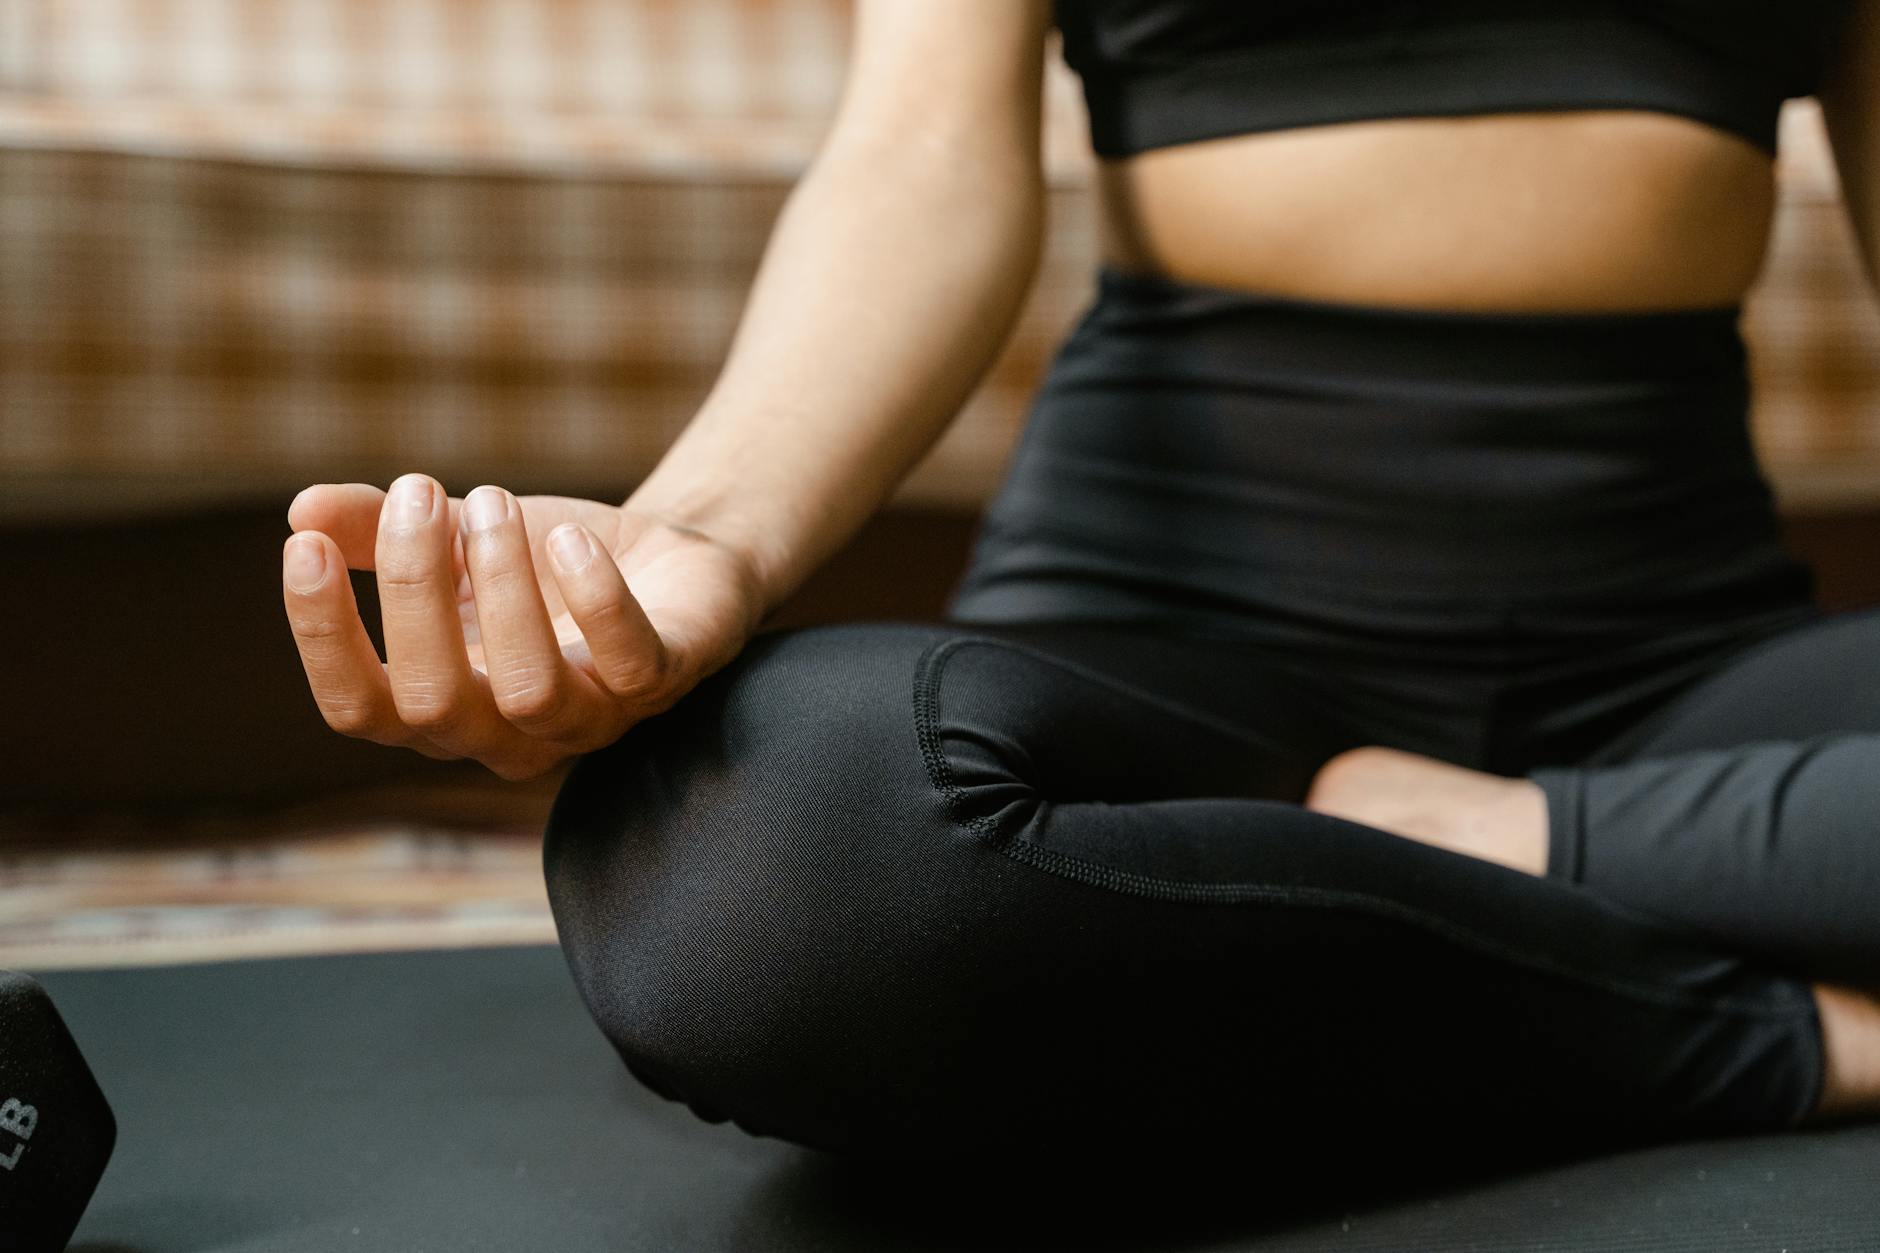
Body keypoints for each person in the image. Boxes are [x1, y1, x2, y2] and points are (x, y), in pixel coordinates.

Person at [279, 2, 1880, 1162]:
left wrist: (1523, 821)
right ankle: (1772, 1030)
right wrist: (702, 528)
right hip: (1181, 660)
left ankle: (1468, 846)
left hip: (1687, 670)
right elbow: (915, 156)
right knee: (764, 866)